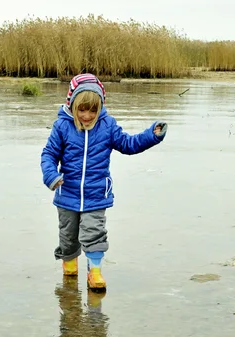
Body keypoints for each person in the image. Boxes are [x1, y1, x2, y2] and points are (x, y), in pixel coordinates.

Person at [41, 73, 167, 292]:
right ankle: (70, 268)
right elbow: (49, 155)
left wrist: (151, 136)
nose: (87, 115)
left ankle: (95, 272)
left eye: (93, 110)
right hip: (67, 193)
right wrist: (51, 176)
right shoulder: (62, 126)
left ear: (100, 107)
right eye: (82, 109)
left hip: (96, 194)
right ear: (72, 105)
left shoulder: (107, 126)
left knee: (94, 233)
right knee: (68, 236)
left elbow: (128, 144)